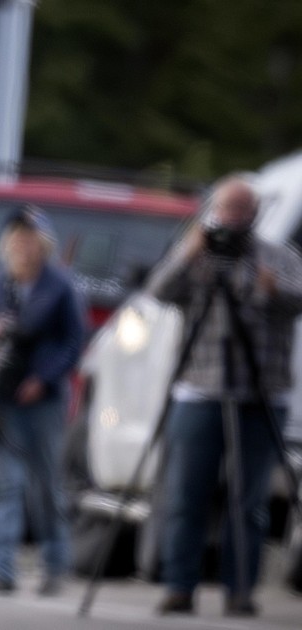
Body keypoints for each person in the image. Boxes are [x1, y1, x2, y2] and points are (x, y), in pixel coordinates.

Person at [146, 176, 302, 616]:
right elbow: (159, 291)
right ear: (213, 209)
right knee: (186, 493)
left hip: (260, 391)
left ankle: (240, 591)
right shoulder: (197, 254)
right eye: (227, 208)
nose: (234, 218)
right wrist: (190, 252)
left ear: (255, 212)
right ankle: (179, 586)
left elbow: (299, 298)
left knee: (247, 499)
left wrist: (274, 291)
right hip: (200, 388)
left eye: (242, 208)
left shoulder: (277, 256)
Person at [0, 206, 86, 598]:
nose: (23, 244)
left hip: (44, 400)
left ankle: (55, 564)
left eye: (30, 237)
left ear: (44, 243)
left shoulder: (60, 285)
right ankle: (1, 568)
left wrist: (45, 377)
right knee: (6, 483)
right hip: (5, 395)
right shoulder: (1, 284)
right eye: (17, 237)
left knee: (45, 485)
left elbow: (75, 341)